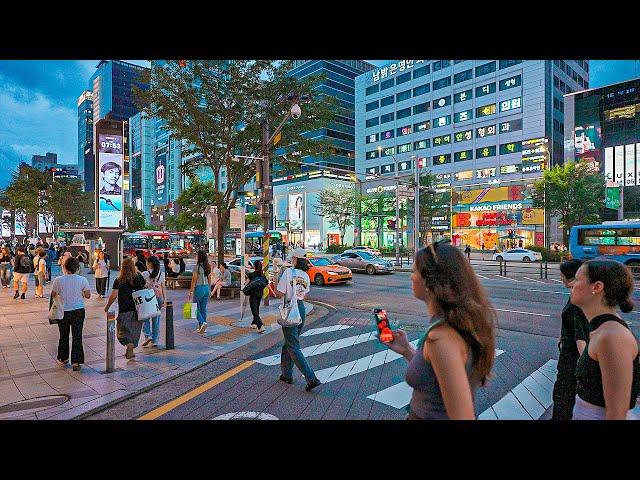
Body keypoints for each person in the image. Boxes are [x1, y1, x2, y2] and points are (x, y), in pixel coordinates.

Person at [383, 241, 497, 419]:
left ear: (430, 282)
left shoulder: (441, 339)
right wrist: (407, 350)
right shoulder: (454, 325)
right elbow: (436, 377)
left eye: (414, 271)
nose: (411, 277)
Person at [569, 260, 640, 420]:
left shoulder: (612, 336)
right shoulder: (603, 329)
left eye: (577, 279)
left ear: (597, 287)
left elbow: (617, 413)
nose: (571, 284)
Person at [276, 248, 321, 392]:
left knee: (293, 346)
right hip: (301, 309)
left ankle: (311, 377)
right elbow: (304, 296)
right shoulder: (306, 276)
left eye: (292, 258)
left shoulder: (288, 273)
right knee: (289, 343)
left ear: (295, 259)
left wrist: (276, 279)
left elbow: (279, 293)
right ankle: (286, 374)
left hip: (289, 309)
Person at [552, 259, 590, 420]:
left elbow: (581, 339)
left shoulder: (577, 301)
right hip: (570, 358)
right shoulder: (580, 296)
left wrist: (586, 371)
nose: (560, 278)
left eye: (561, 275)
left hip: (571, 363)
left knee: (563, 401)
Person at [51, 257, 91, 371]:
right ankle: (76, 362)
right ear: (77, 268)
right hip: (78, 310)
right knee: (77, 336)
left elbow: (53, 294)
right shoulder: (82, 280)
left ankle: (63, 358)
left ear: (64, 267)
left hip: (63, 311)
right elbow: (88, 295)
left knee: (63, 335)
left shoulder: (58, 280)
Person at [104, 257, 146, 359]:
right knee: (135, 330)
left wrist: (107, 306)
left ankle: (128, 344)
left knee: (122, 331)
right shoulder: (139, 277)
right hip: (138, 309)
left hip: (124, 309)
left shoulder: (119, 280)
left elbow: (114, 295)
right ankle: (132, 345)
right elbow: (145, 287)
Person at [141, 255, 165, 348]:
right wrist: (164, 300)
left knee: (145, 317)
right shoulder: (161, 274)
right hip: (158, 297)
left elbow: (142, 286)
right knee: (156, 319)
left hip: (147, 298)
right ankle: (155, 341)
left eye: (147, 262)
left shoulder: (144, 274)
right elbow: (163, 287)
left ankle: (148, 336)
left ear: (150, 263)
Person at [189, 250, 212, 334]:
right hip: (206, 288)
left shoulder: (197, 267)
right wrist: (209, 289)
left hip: (199, 288)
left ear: (199, 257)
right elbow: (209, 278)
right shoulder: (208, 266)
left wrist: (191, 291)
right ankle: (202, 328)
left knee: (195, 309)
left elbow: (194, 280)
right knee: (203, 309)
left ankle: (202, 323)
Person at [243, 260, 268, 333]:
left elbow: (246, 284)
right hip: (260, 294)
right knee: (256, 309)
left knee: (254, 310)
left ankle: (260, 325)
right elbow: (266, 284)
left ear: (254, 266)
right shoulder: (262, 275)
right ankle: (254, 323)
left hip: (253, 295)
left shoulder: (251, 274)